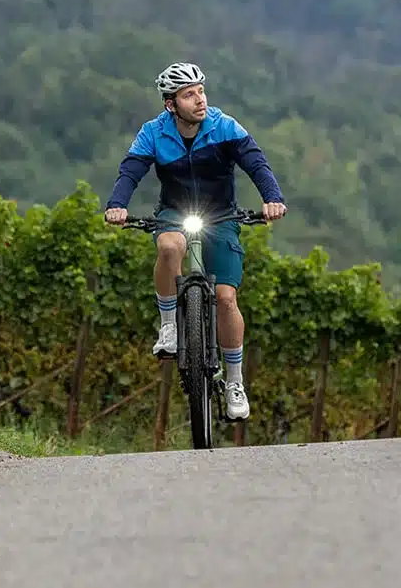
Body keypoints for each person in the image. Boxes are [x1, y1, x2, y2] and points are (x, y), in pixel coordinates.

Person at [102, 61, 287, 421]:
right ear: (171, 104)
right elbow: (131, 171)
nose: (200, 100)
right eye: (189, 95)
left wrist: (272, 198)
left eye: (201, 91)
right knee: (170, 247)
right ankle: (169, 325)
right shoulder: (153, 134)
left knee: (226, 298)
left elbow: (256, 163)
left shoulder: (224, 126)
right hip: (174, 212)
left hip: (222, 216)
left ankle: (235, 381)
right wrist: (117, 206)